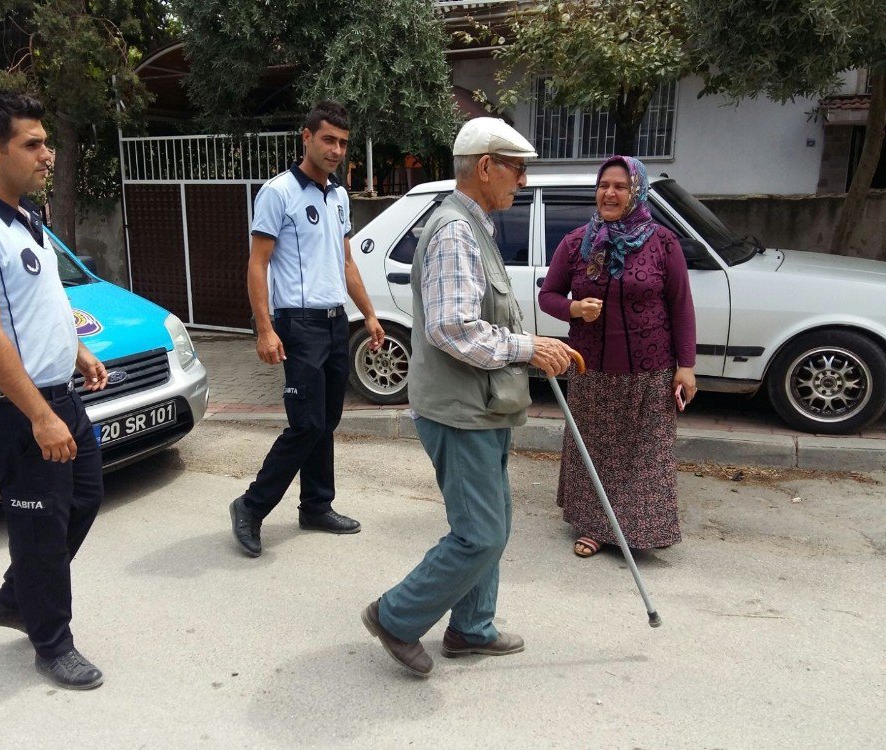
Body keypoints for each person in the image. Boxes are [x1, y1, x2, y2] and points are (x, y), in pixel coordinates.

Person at [361, 117, 576, 677]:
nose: (522, 181)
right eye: (517, 168)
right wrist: (528, 348)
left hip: (482, 406)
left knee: (493, 521)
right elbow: (453, 329)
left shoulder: (473, 225)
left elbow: (476, 318)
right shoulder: (456, 230)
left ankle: (471, 628)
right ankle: (396, 616)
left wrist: (527, 346)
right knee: (480, 532)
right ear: (486, 167)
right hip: (462, 412)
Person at [0, 89, 109, 690]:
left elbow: (41, 303)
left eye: (46, 142)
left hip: (59, 397)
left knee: (83, 498)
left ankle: (14, 597)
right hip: (18, 410)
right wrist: (38, 414)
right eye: (31, 144)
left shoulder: (23, 217)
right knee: (39, 527)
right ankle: (51, 643)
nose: (47, 155)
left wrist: (77, 349)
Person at [229, 100, 385, 557]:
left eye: (342, 142)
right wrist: (264, 329)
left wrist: (370, 314)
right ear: (307, 137)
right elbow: (258, 264)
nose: (336, 149)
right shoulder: (278, 193)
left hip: (336, 321)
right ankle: (251, 506)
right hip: (298, 325)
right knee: (306, 423)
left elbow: (346, 261)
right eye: (328, 140)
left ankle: (316, 505)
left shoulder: (338, 196)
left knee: (327, 421)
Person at [538, 155, 696, 558]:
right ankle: (593, 526)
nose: (610, 193)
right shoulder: (577, 243)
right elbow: (548, 295)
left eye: (620, 186)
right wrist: (574, 309)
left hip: (651, 370)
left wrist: (687, 367)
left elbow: (680, 305)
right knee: (595, 452)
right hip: (592, 370)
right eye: (604, 185)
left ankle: (637, 531)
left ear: (636, 191)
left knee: (645, 453)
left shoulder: (662, 242)